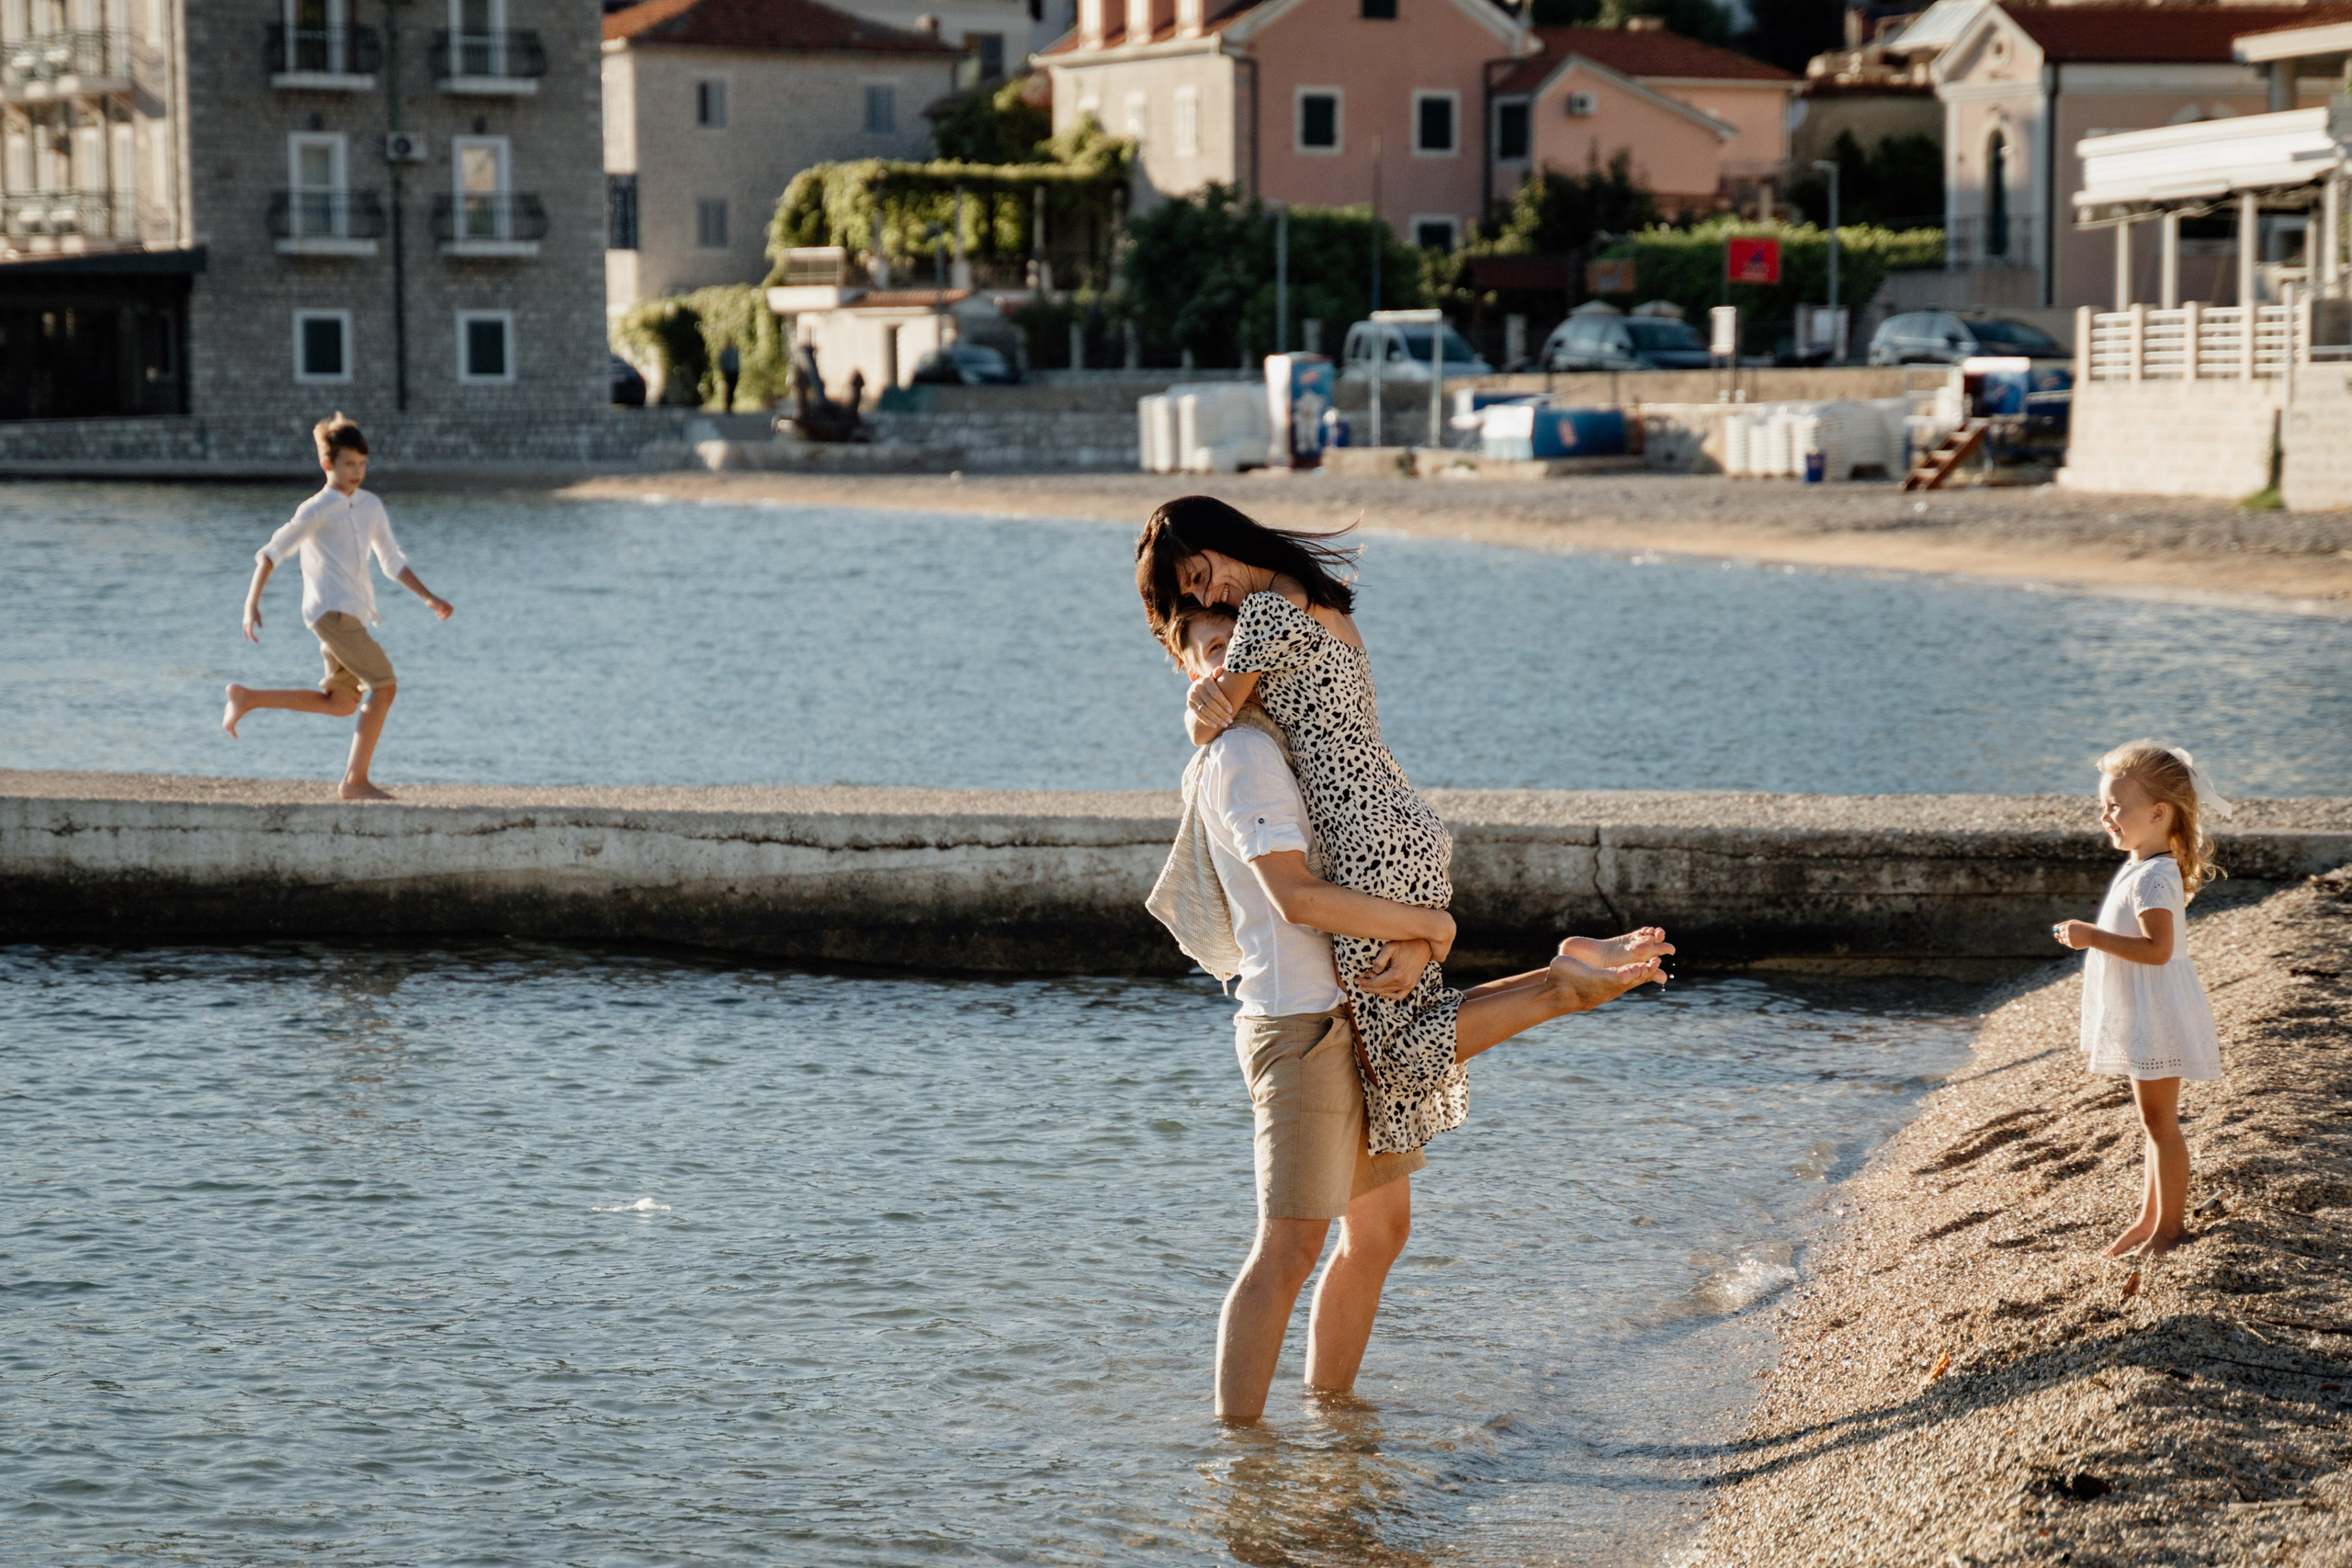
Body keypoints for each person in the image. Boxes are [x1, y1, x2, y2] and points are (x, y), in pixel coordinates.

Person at [1153, 602, 1669, 1422]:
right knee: (1287, 1249)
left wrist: (1422, 944)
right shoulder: (1245, 754)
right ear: (1188, 671)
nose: (1225, 664)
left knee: (1378, 1231)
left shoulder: (1283, 736)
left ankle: (1333, 1414)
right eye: (1209, 653)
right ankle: (1242, 1459)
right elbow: (1296, 898)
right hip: (1301, 1027)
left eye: (1235, 646)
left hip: (1350, 1008)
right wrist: (1433, 928)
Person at [1138, 496, 1510, 1158]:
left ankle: (1565, 985)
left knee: (1397, 1048)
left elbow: (1214, 718)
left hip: (1359, 828)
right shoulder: (1315, 597)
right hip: (1399, 814)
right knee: (1406, 1001)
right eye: (1191, 590)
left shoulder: (1266, 612)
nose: (1205, 590)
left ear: (1220, 538)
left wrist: (1193, 708)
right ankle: (1541, 977)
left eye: (1199, 573)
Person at [2052, 741, 2229, 1258]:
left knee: (2161, 1123)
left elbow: (2159, 950)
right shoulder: (2141, 865)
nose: (2106, 816)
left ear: (2159, 812)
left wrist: (2091, 936)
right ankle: (2149, 1217)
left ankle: (2170, 1228)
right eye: (2103, 806)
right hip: (2144, 1011)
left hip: (2158, 1012)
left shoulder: (2154, 875)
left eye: (2116, 806)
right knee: (2154, 1121)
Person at [222, 412, 454, 800]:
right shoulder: (317, 508)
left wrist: (428, 597)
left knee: (343, 703)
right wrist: (251, 605)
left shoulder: (370, 506)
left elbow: (392, 561)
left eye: (362, 464)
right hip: (330, 613)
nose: (357, 472)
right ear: (327, 464)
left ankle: (249, 697)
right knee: (385, 686)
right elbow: (270, 554)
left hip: (352, 614)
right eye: (349, 464)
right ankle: (355, 781)